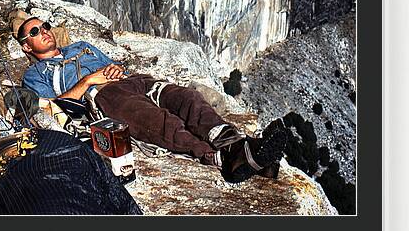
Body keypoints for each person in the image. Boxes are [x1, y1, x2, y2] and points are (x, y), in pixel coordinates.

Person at [18, 17, 287, 183]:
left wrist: (114, 69)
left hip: (133, 80)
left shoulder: (81, 47)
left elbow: (114, 65)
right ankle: (226, 158)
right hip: (102, 96)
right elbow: (53, 107)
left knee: (187, 98)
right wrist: (88, 81)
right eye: (34, 32)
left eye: (45, 26)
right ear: (26, 47)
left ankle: (236, 145)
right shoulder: (35, 74)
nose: (44, 31)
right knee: (158, 121)